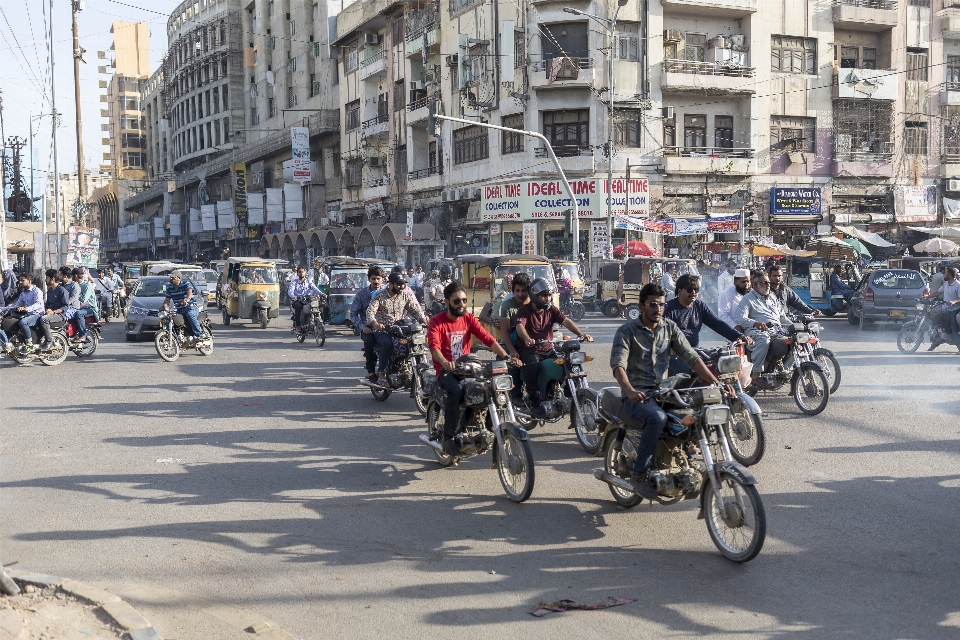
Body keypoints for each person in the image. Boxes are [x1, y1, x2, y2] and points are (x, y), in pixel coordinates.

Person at [610, 283, 720, 500]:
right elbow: (618, 365)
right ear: (641, 306)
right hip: (637, 394)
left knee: (695, 414)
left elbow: (691, 356)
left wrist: (715, 381)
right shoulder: (626, 331)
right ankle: (639, 474)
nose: (657, 309)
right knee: (657, 418)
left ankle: (687, 455)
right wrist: (630, 390)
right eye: (652, 304)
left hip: (662, 391)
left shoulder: (669, 327)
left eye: (661, 305)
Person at [428, 280, 516, 457]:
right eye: (457, 301)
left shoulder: (468, 318)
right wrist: (445, 362)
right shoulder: (436, 322)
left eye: (464, 300)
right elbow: (434, 347)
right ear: (446, 302)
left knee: (494, 386)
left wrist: (506, 356)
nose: (461, 305)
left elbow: (487, 338)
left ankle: (490, 425)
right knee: (456, 391)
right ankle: (449, 436)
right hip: (446, 372)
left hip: (468, 368)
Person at [514, 278, 593, 419]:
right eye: (544, 295)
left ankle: (569, 395)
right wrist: (527, 339)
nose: (548, 298)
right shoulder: (524, 311)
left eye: (549, 295)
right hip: (530, 350)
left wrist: (581, 334)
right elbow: (520, 327)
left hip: (549, 349)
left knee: (570, 361)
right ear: (534, 295)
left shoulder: (551, 309)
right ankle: (534, 402)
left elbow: (566, 321)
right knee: (531, 366)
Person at [664, 274, 750, 374]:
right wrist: (669, 346)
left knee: (725, 362)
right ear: (679, 291)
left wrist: (739, 336)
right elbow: (662, 332)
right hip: (675, 354)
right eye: (689, 289)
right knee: (690, 372)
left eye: (696, 289)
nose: (693, 292)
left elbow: (717, 324)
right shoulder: (668, 308)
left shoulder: (699, 306)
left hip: (695, 351)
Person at [366, 270, 427, 387]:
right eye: (399, 284)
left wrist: (423, 319)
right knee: (387, 343)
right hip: (382, 330)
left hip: (400, 328)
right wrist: (375, 324)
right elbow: (370, 312)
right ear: (390, 284)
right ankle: (382, 374)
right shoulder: (379, 295)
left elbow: (414, 309)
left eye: (403, 284)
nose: (402, 286)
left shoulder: (404, 295)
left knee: (414, 343)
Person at [736, 271, 793, 381]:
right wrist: (755, 323)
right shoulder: (747, 299)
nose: (768, 285)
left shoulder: (772, 298)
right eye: (765, 283)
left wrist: (795, 326)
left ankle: (786, 370)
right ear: (755, 284)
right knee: (764, 339)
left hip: (777, 330)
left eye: (768, 283)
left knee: (796, 340)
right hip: (756, 331)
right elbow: (741, 319)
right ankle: (757, 372)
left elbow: (782, 317)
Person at [495, 272, 532, 402]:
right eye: (517, 290)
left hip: (531, 343)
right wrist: (512, 351)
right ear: (513, 290)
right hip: (512, 341)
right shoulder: (506, 305)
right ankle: (516, 395)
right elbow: (505, 331)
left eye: (524, 290)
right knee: (514, 362)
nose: (520, 294)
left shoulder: (534, 303)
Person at [350, 266, 386, 381]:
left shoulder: (388, 292)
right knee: (369, 341)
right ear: (369, 279)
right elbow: (353, 314)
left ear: (383, 279)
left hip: (385, 327)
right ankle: (371, 372)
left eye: (378, 279)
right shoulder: (361, 294)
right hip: (369, 328)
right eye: (373, 279)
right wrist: (362, 327)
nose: (376, 281)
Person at [1, 273, 44, 352]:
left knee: (23, 322)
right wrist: (3, 309)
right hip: (28, 314)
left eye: (22, 280)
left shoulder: (37, 291)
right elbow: (16, 304)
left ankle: (29, 343)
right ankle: (11, 341)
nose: (20, 282)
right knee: (6, 321)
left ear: (29, 281)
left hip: (37, 314)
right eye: (20, 280)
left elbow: (39, 304)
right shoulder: (24, 292)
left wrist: (26, 309)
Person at [162, 270, 202, 340]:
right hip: (179, 309)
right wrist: (164, 307)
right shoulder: (169, 288)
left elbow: (189, 293)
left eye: (173, 277)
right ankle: (180, 336)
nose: (171, 279)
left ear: (179, 278)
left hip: (190, 307)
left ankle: (199, 334)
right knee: (173, 319)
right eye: (170, 278)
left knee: (190, 315)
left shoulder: (185, 283)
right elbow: (167, 300)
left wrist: (187, 299)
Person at [288, 266, 323, 330]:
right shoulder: (294, 282)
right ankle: (298, 325)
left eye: (302, 272)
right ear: (297, 273)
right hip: (298, 300)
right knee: (298, 307)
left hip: (307, 299)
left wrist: (322, 294)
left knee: (318, 306)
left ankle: (321, 328)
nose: (301, 273)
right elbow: (290, 291)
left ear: (305, 273)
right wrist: (293, 296)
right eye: (300, 272)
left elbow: (315, 289)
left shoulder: (309, 282)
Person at [72, 268, 99, 343]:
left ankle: (83, 335)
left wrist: (75, 295)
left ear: (76, 276)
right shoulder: (75, 285)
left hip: (90, 308)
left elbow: (84, 299)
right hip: (79, 307)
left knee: (79, 314)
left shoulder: (87, 286)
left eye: (72, 276)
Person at [937, 266, 960, 353]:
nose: (943, 274)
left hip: (954, 310)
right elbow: (938, 292)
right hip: (944, 308)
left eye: (945, 273)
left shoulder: (958, 285)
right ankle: (936, 339)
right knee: (933, 316)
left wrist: (953, 302)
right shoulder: (946, 284)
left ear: (949, 275)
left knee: (954, 330)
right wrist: (927, 297)